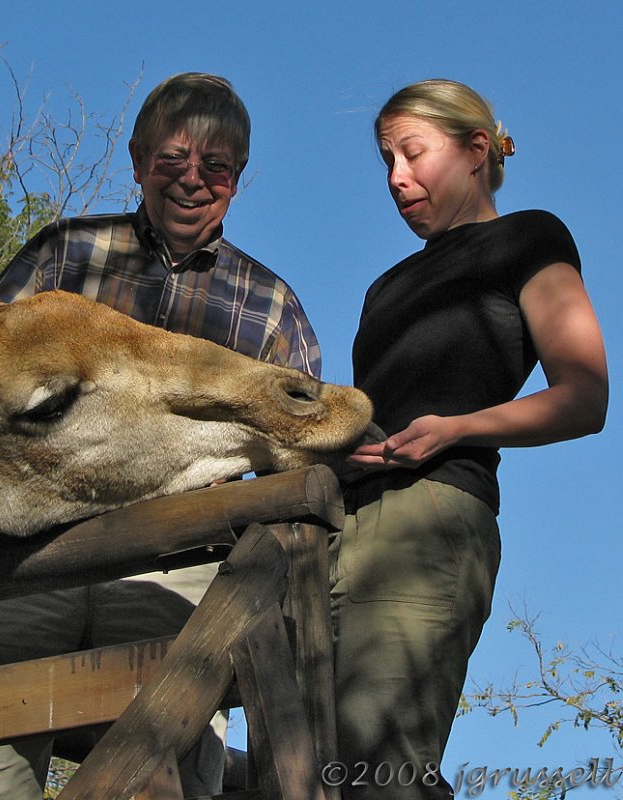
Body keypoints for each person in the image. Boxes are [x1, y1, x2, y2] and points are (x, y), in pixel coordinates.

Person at [0, 72, 321, 800]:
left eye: (216, 166)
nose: (192, 180)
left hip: (178, 568)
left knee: (160, 776)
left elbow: (293, 467)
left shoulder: (271, 309)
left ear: (238, 179)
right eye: (172, 160)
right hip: (24, 555)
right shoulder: (63, 257)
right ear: (137, 160)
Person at [329, 79, 608, 799]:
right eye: (387, 161)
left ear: (476, 149)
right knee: (302, 763)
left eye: (413, 153)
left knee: (373, 770)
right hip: (333, 525)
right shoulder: (382, 288)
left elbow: (585, 397)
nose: (397, 178)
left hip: (429, 523)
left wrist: (455, 430)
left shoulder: (528, 237)